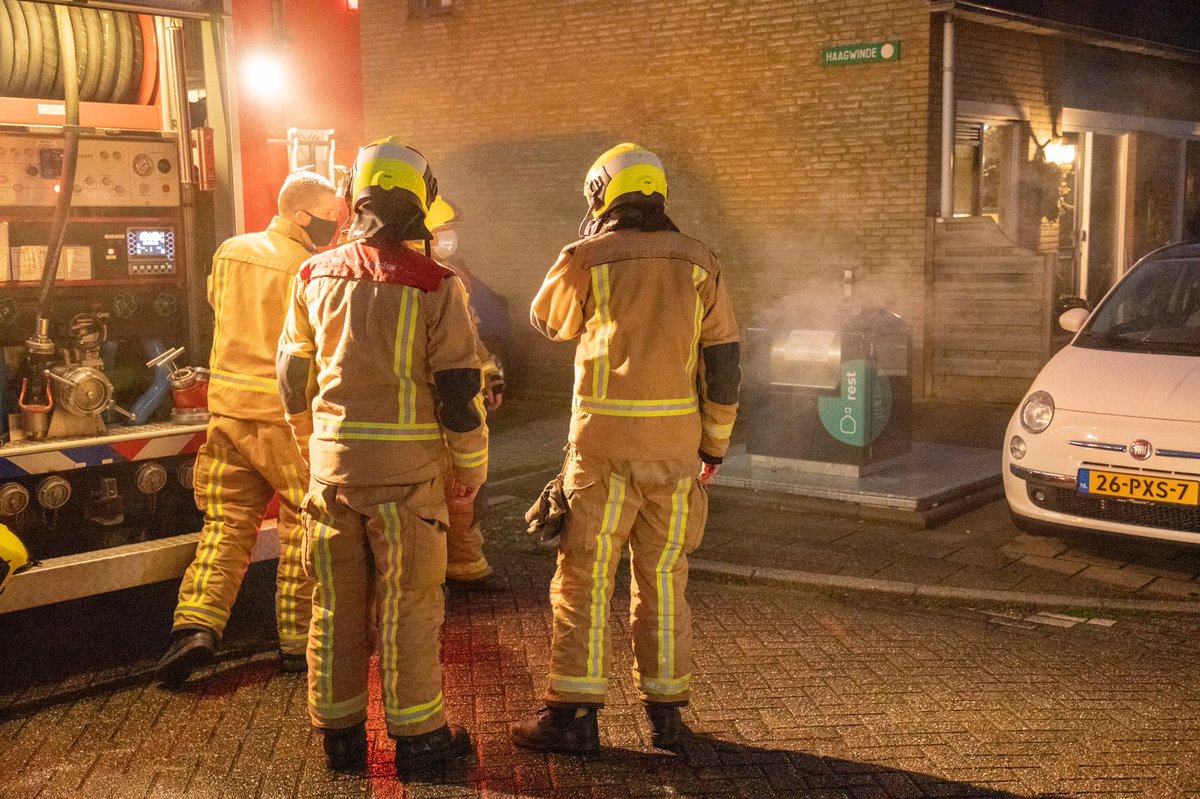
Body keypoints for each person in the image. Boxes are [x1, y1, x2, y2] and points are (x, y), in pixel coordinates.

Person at [511, 143, 741, 753]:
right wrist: (713, 447)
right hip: (676, 453)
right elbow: (724, 366)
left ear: (600, 195)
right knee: (664, 581)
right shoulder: (701, 260)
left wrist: (581, 257)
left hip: (602, 453)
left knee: (584, 578)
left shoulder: (585, 257)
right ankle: (667, 718)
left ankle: (574, 718)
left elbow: (547, 323)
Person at [277, 138, 486, 775]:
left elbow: (292, 374)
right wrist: (470, 469)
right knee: (410, 604)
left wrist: (310, 442)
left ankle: (338, 736)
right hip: (407, 482)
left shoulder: (313, 274)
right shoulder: (437, 286)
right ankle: (419, 740)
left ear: (354, 199)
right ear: (417, 204)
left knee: (334, 603)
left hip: (331, 476)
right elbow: (457, 393)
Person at [154, 171, 339, 686]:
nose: (335, 226)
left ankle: (194, 626)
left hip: (228, 412)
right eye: (330, 216)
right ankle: (298, 644)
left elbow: (221, 306)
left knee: (227, 523)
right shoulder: (310, 268)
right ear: (302, 214)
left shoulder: (230, 252)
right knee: (305, 522)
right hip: (283, 419)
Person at [425, 196, 504, 585]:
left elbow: (470, 335)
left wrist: (491, 374)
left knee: (465, 490)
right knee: (456, 488)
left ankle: (466, 564)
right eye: (443, 232)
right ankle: (454, 566)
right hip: (438, 408)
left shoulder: (453, 276)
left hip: (456, 404)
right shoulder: (426, 281)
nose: (450, 239)